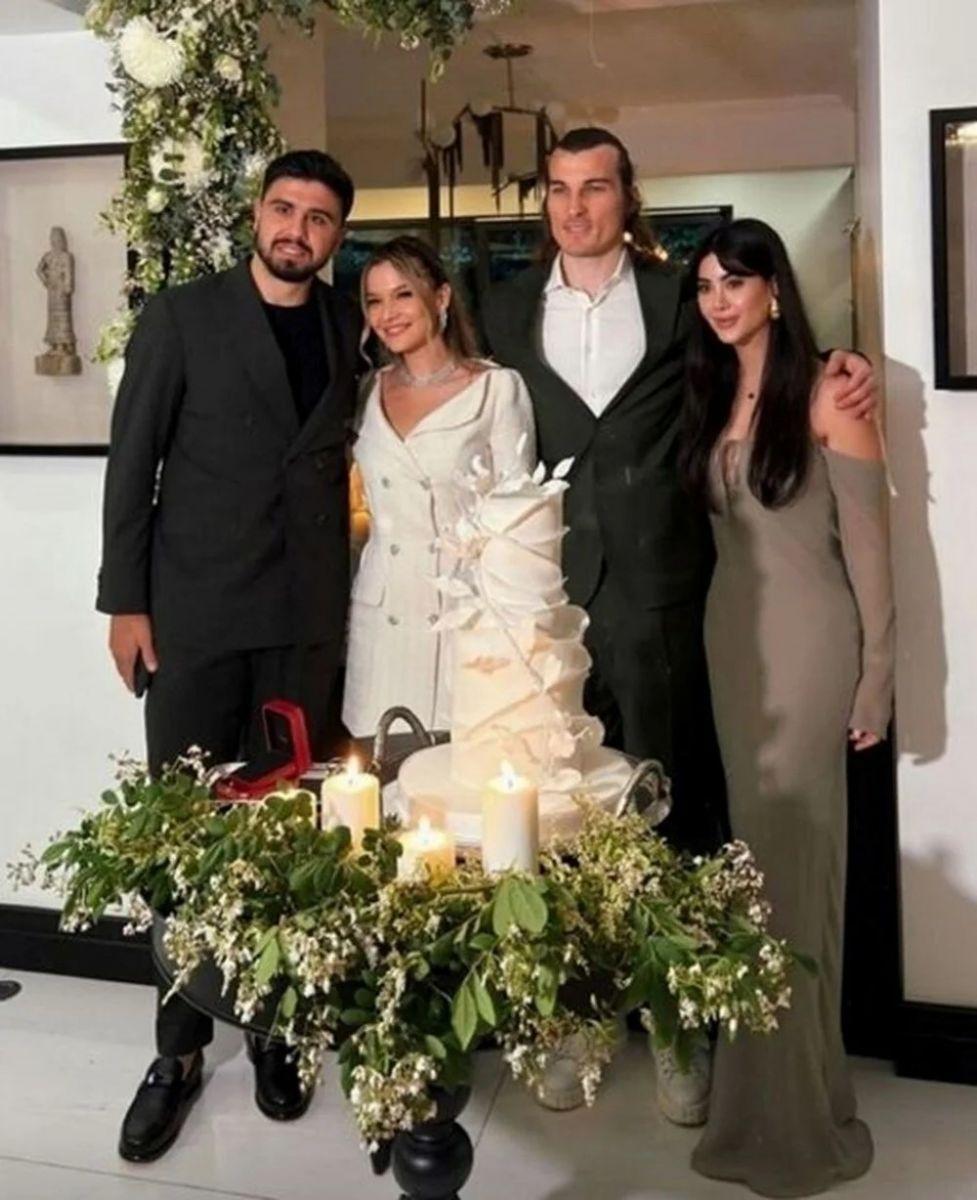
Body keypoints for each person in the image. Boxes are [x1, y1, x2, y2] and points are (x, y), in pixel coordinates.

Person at [481, 126, 878, 1123]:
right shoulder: (500, 308)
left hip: (668, 595)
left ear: (627, 197)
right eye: (557, 188)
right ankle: (577, 1018)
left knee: (670, 816)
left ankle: (673, 1024)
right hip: (545, 602)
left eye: (595, 187)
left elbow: (767, 356)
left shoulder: (678, 298)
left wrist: (848, 362)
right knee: (560, 818)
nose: (575, 207)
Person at [97, 149, 362, 1162]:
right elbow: (134, 463)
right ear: (257, 213)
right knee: (182, 832)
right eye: (284, 208)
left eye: (318, 217)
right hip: (195, 615)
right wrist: (125, 603)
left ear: (336, 235)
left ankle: (273, 1025)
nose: (297, 229)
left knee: (288, 831)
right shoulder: (182, 316)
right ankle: (176, 1051)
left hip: (304, 622)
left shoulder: (347, 325)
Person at [683, 218, 893, 1196]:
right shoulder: (708, 391)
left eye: (734, 281)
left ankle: (795, 1122)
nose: (718, 300)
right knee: (750, 877)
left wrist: (876, 677)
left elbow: (870, 552)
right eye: (703, 286)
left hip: (809, 652)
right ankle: (758, 1104)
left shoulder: (830, 394)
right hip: (730, 649)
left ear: (773, 288)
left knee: (793, 876)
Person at [342, 235, 534, 736]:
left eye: (403, 294)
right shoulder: (366, 391)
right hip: (383, 615)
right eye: (375, 300)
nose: (388, 314)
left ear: (442, 297)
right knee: (379, 765)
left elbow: (522, 530)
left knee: (461, 764)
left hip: (463, 612)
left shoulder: (496, 389)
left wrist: (517, 629)